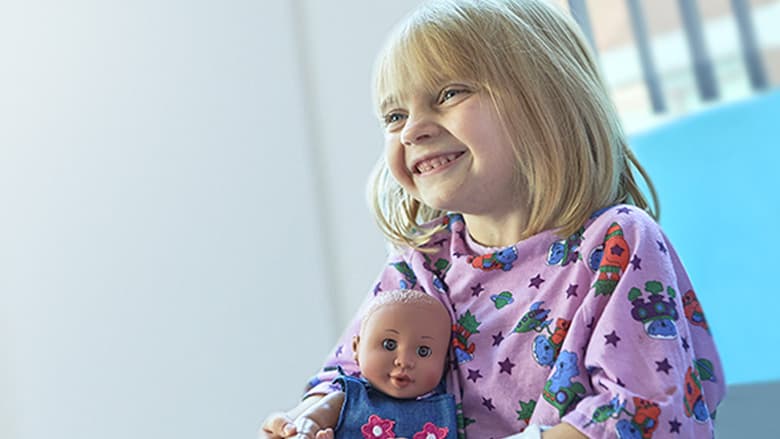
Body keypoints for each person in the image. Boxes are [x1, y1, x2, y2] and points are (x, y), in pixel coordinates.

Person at [260, 0, 726, 438]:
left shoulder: (614, 243)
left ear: (548, 101)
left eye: (449, 93)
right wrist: (315, 411)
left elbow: (645, 410)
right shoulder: (420, 266)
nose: (412, 129)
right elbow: (351, 374)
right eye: (394, 115)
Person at [289, 289, 457, 439]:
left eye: (423, 351)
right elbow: (311, 420)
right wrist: (305, 433)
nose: (404, 361)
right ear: (356, 348)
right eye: (389, 345)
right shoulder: (350, 399)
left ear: (445, 364)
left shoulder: (444, 415)